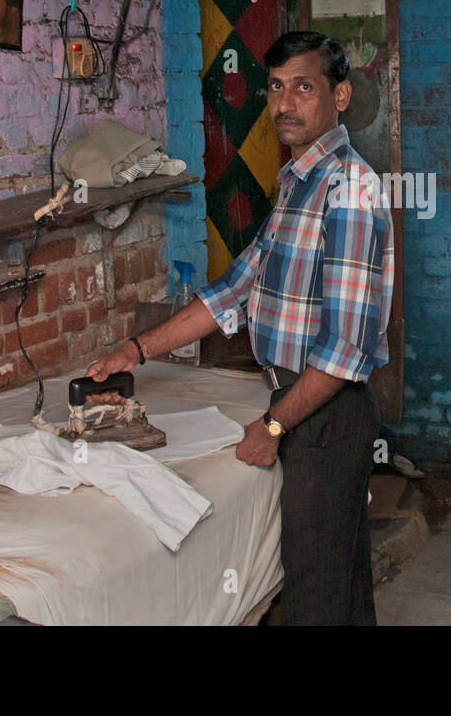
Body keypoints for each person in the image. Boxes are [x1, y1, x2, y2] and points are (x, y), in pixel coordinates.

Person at [86, 31, 393, 625]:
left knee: (313, 596)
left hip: (325, 413)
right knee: (341, 585)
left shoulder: (348, 189)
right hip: (303, 402)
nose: (284, 104)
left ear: (342, 95)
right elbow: (232, 292)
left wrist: (274, 424)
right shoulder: (298, 185)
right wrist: (135, 349)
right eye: (276, 88)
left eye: (303, 87)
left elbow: (343, 350)